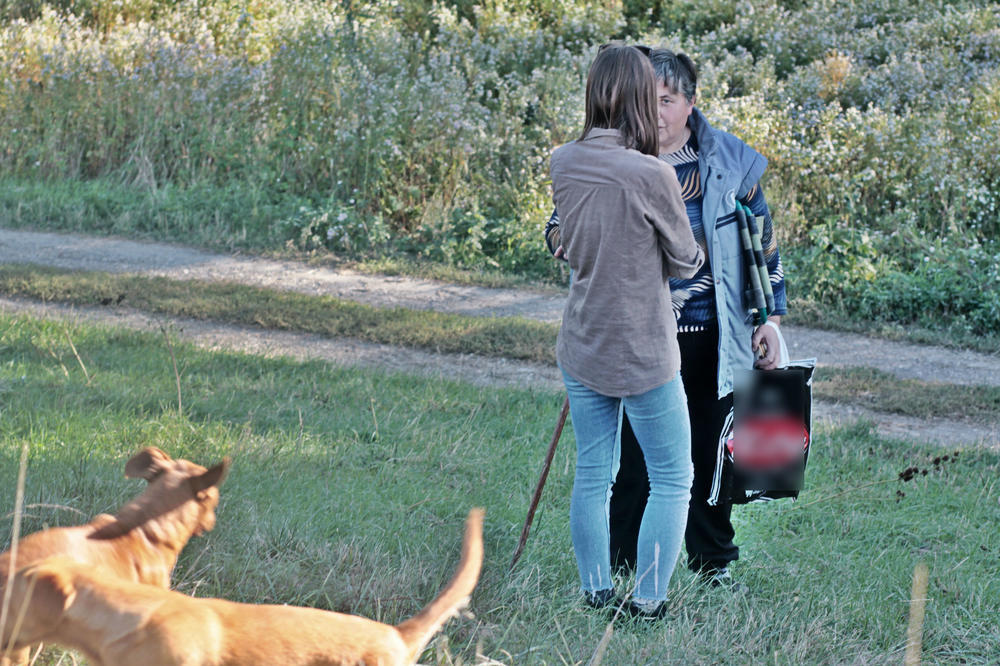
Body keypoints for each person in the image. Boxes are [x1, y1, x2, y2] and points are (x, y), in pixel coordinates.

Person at [545, 47, 787, 589]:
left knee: (711, 450)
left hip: (711, 330)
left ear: (690, 102)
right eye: (646, 98)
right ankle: (627, 560)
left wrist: (769, 317)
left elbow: (762, 243)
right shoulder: (617, 159)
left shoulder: (728, 161)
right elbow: (560, 228)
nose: (655, 111)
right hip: (637, 335)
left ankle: (711, 561)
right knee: (633, 463)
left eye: (668, 99)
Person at [549, 42, 705, 618]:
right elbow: (687, 259)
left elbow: (567, 239)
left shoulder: (562, 160)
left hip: (584, 339)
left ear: (594, 93)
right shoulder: (654, 173)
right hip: (642, 350)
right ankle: (648, 600)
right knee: (673, 476)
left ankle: (595, 591)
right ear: (640, 97)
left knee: (594, 471)